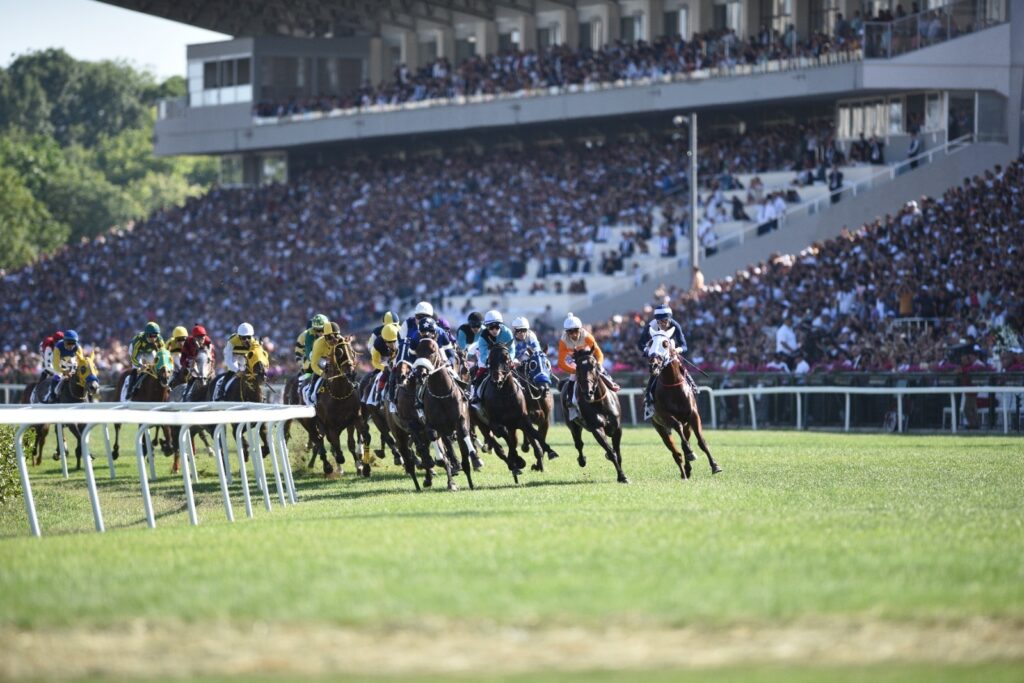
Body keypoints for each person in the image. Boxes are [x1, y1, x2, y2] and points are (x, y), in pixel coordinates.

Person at [557, 313, 619, 421]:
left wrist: (599, 364)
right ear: (566, 332)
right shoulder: (563, 341)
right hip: (574, 358)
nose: (573, 334)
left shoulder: (587, 336)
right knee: (572, 377)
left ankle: (611, 383)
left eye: (576, 331)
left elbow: (599, 354)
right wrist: (575, 371)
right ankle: (570, 401)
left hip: (587, 356)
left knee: (600, 369)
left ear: (580, 330)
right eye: (570, 332)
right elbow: (561, 363)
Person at [637, 306, 692, 418]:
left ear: (669, 319)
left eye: (665, 321)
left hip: (671, 354)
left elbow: (684, 346)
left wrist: (677, 350)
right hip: (657, 356)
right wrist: (648, 351)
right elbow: (640, 344)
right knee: (654, 373)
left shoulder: (675, 325)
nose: (662, 324)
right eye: (659, 321)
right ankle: (648, 398)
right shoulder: (651, 326)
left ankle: (692, 386)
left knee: (681, 368)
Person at [470, 310, 516, 404]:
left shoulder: (507, 332)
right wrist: (489, 360)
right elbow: (483, 355)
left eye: (497, 327)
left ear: (501, 325)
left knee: (515, 367)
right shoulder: (483, 337)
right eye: (491, 327)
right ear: (486, 327)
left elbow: (512, 350)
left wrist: (509, 358)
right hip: (489, 356)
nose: (494, 330)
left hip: (504, 356)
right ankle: (475, 393)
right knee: (482, 366)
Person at [213, 322, 263, 400]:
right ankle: (221, 391)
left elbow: (256, 358)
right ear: (239, 336)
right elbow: (228, 360)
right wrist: (237, 370)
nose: (246, 340)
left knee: (249, 371)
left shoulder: (254, 342)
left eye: (248, 337)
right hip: (233, 355)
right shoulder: (232, 342)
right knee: (232, 372)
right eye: (243, 338)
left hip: (243, 356)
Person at [125, 322, 165, 401]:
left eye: (155, 335)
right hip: (137, 351)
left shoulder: (159, 339)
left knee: (157, 366)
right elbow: (133, 358)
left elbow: (163, 354)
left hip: (149, 351)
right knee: (136, 368)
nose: (154, 338)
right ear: (147, 335)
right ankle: (130, 390)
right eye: (151, 336)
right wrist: (140, 365)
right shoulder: (139, 341)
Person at [305, 322, 343, 405]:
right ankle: (311, 391)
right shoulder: (318, 343)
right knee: (325, 365)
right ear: (324, 336)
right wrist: (322, 373)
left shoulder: (342, 340)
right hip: (321, 358)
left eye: (335, 336)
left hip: (333, 357)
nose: (333, 340)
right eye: (329, 337)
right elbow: (314, 364)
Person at [46, 329, 86, 403]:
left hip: (71, 362)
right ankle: (52, 395)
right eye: (68, 343)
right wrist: (64, 371)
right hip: (59, 362)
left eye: (73, 343)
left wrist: (75, 371)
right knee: (58, 375)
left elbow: (81, 362)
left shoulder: (78, 348)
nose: (70, 346)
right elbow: (55, 365)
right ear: (64, 341)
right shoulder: (58, 347)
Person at [366, 322, 400, 406]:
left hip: (398, 358)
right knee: (386, 373)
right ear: (384, 340)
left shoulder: (402, 337)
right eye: (389, 342)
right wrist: (383, 367)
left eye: (394, 341)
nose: (393, 345)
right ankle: (378, 395)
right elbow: (375, 362)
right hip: (386, 361)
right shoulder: (377, 345)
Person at [511, 316, 551, 385]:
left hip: (527, 358)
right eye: (519, 331)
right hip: (515, 360)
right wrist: (515, 361)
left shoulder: (531, 335)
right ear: (515, 330)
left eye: (524, 330)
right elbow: (510, 355)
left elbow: (537, 351)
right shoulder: (511, 338)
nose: (522, 333)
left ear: (527, 330)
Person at [179, 325, 215, 392]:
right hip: (191, 362)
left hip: (205, 364)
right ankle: (186, 393)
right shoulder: (188, 342)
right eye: (198, 338)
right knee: (186, 374)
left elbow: (212, 358)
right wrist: (188, 364)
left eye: (202, 338)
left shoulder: (208, 342)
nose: (201, 340)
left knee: (212, 376)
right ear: (194, 338)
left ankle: (217, 393)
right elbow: (182, 359)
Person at [294, 313, 329, 379]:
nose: (321, 333)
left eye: (322, 329)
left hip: (325, 359)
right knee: (306, 376)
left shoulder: (330, 334)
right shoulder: (306, 335)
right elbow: (301, 351)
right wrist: (301, 363)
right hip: (311, 361)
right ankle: (301, 385)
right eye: (318, 330)